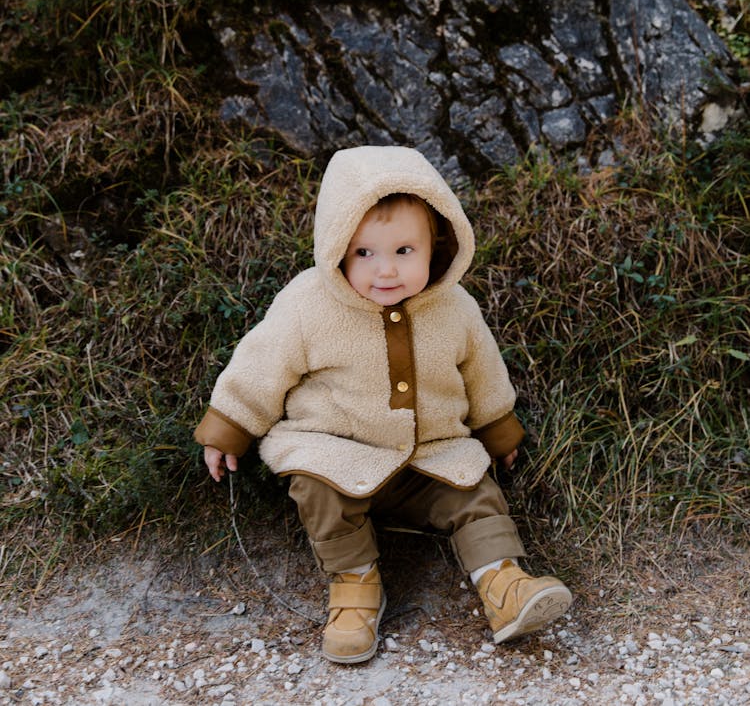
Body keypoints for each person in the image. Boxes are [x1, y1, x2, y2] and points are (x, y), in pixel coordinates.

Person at [194, 145, 572, 664]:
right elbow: (262, 364)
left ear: (435, 246)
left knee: (474, 492)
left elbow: (483, 373)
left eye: (403, 252)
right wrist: (229, 428)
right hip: (336, 452)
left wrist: (499, 431)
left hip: (430, 457)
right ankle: (354, 587)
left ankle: (503, 583)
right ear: (337, 250)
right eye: (364, 254)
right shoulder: (308, 303)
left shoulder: (455, 307)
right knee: (317, 489)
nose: (386, 271)